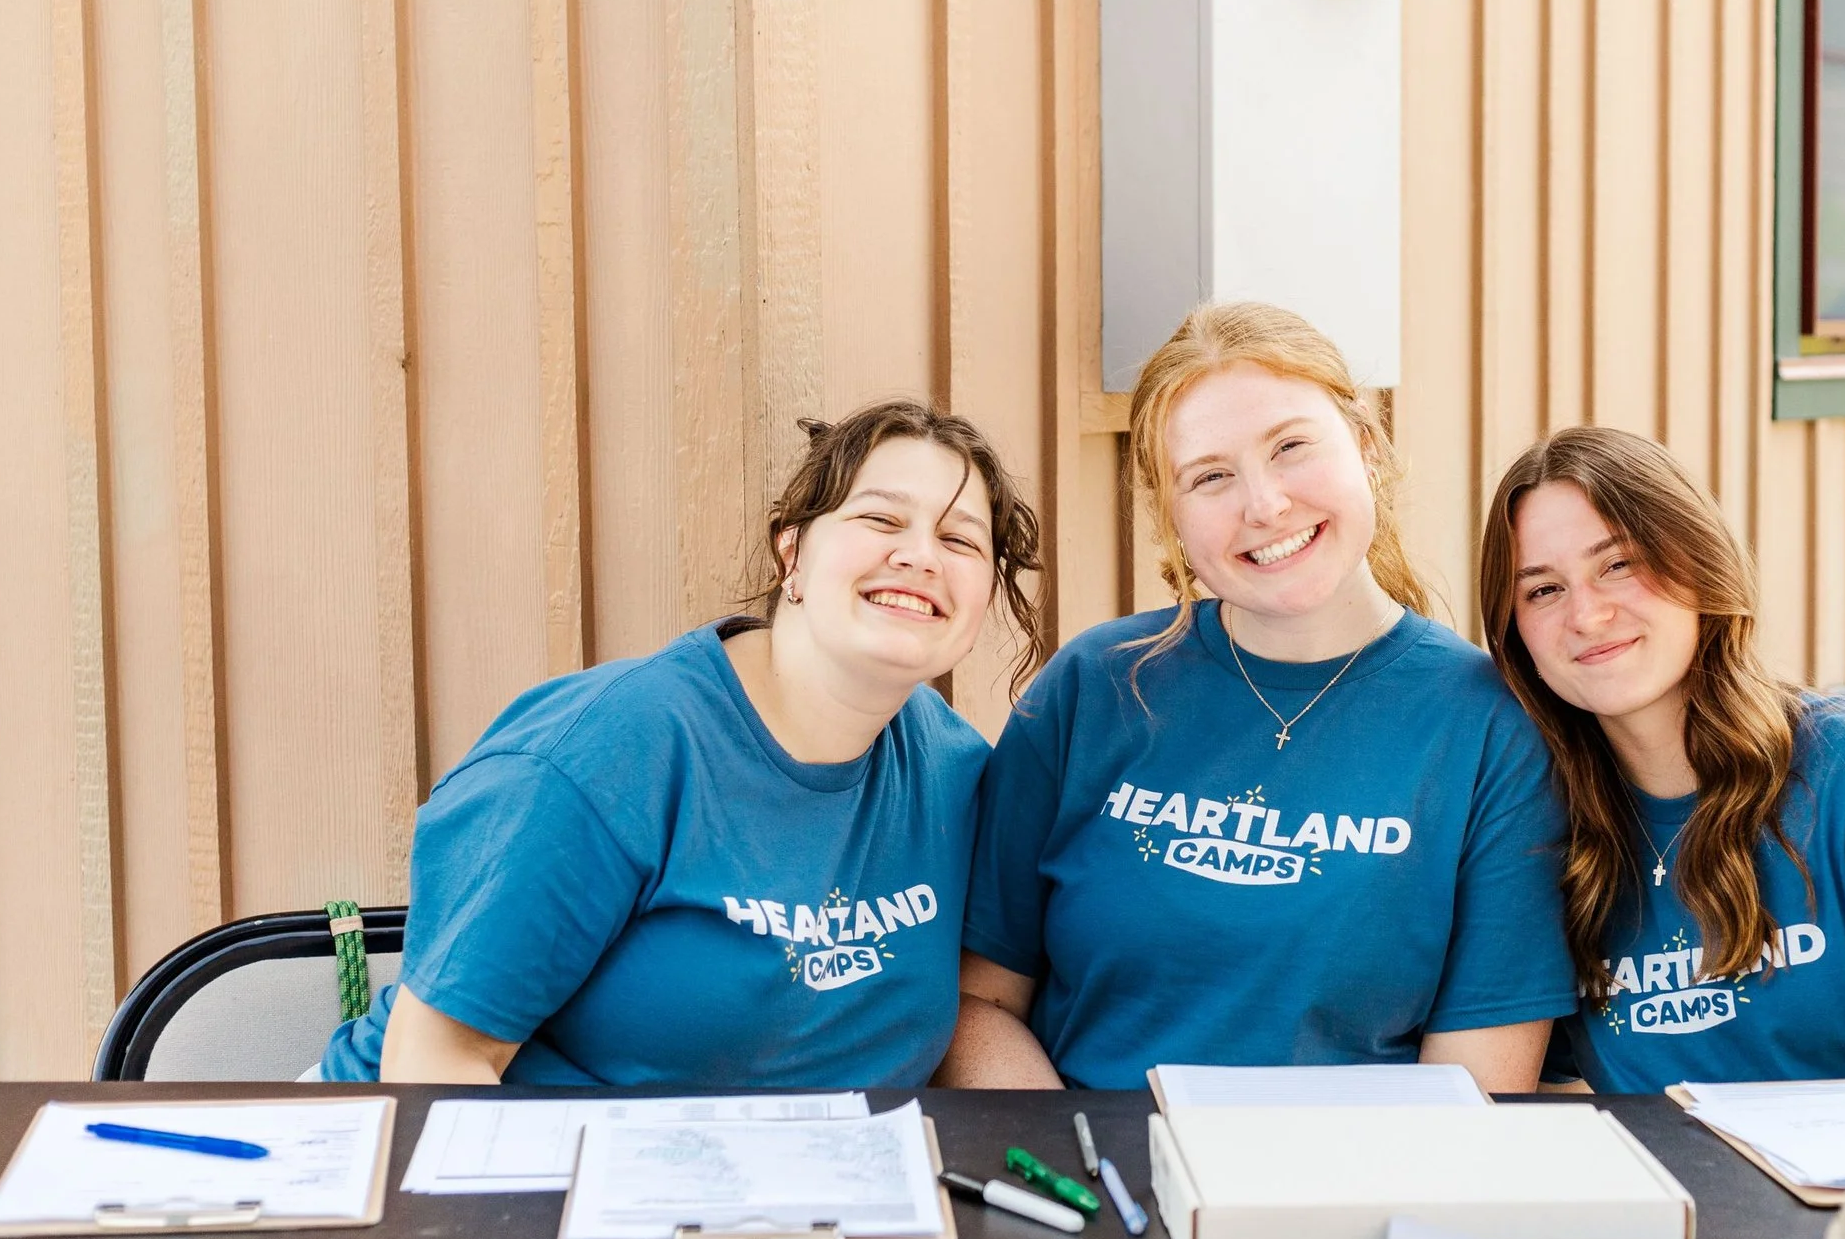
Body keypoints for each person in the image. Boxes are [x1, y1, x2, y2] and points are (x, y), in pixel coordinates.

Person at [942, 302, 1577, 1092]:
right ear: (1171, 516)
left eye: (1291, 448)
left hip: (1348, 1196)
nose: (1264, 504)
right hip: (1094, 1188)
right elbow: (979, 1001)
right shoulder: (1095, 687)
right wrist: (1077, 1170)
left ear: (1368, 446)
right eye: (1210, 476)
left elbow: (1477, 1085)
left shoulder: (1487, 729)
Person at [322, 400, 1049, 1086]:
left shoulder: (953, 774)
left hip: (798, 1200)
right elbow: (438, 1063)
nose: (921, 557)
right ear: (790, 555)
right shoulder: (607, 757)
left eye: (958, 539)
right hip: (427, 1172)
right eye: (881, 519)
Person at [1475, 425, 1845, 1092]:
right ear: (1513, 631)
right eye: (1543, 590)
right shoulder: (1541, 836)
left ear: (1700, 563)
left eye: (1619, 564)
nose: (1586, 615)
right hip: (1681, 1197)